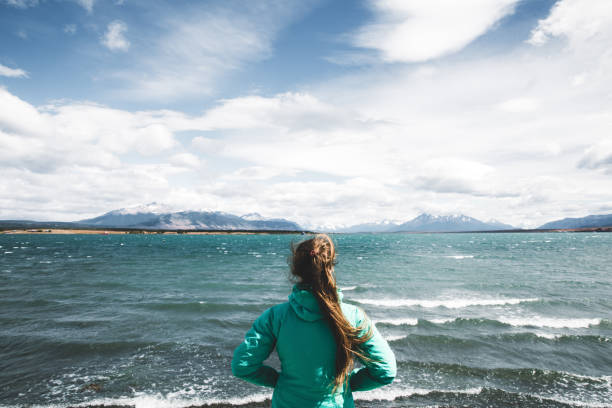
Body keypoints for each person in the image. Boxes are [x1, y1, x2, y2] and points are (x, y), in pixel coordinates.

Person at [231, 234, 396, 407]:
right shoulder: (353, 316)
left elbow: (242, 366)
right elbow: (385, 371)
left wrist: (281, 382)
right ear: (330, 267)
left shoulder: (275, 316)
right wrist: (345, 385)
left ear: (296, 269)